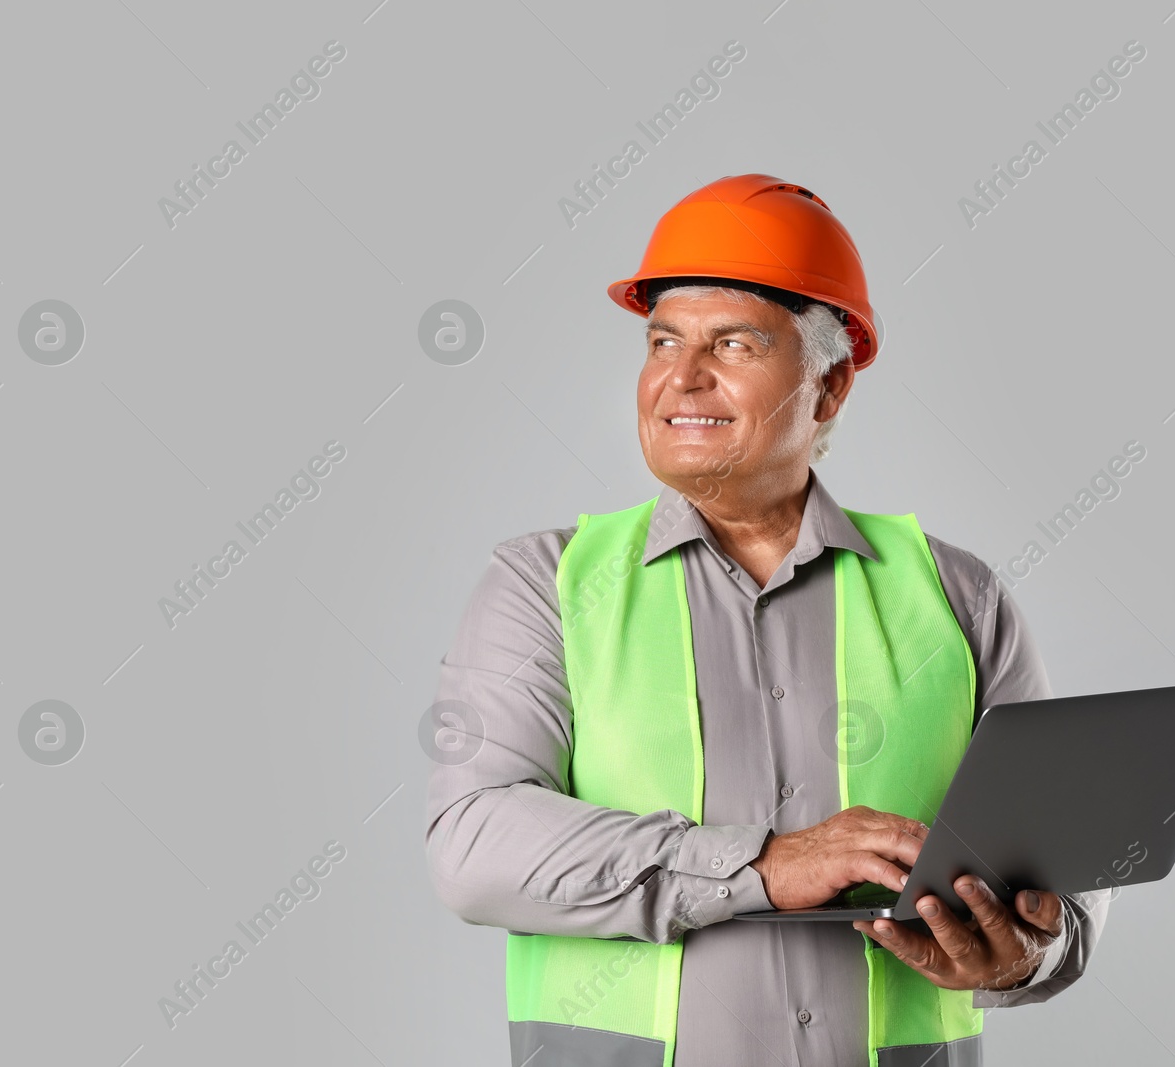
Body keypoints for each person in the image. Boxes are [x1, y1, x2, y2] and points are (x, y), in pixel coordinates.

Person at [425, 174, 1110, 1066]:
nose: (681, 377)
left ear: (828, 389)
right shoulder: (546, 584)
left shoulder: (959, 596)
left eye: (734, 343)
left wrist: (1026, 955)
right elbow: (474, 842)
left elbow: (1063, 887)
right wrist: (759, 865)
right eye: (662, 339)